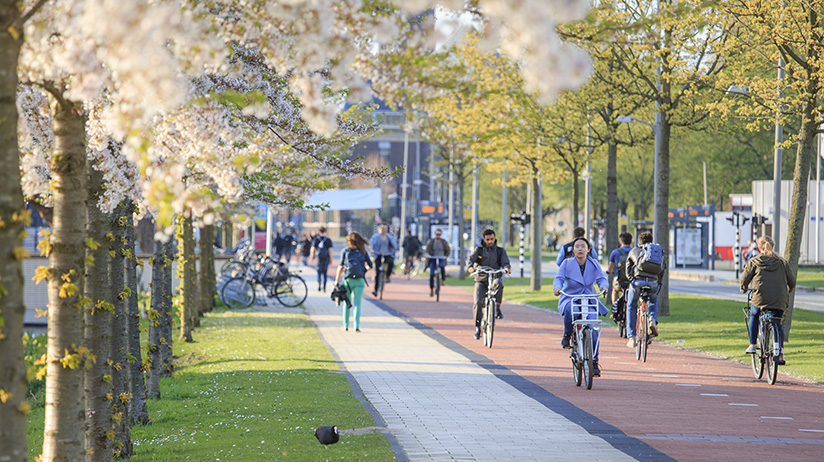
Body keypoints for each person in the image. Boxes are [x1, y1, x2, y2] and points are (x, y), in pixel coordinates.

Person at [553, 236, 608, 377]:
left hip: (588, 299)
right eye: (577, 246)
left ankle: (594, 363)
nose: (580, 249)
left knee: (593, 329)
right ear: (573, 249)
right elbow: (559, 278)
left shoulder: (594, 263)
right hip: (571, 297)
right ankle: (567, 334)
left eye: (583, 246)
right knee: (570, 310)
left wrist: (603, 286)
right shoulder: (567, 263)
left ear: (588, 249)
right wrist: (557, 288)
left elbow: (601, 278)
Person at [739, 236, 795, 364]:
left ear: (759, 247)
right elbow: (792, 281)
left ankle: (753, 344)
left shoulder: (754, 261)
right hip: (780, 298)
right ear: (772, 246)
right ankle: (780, 351)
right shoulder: (782, 262)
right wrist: (787, 292)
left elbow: (744, 280)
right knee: (777, 322)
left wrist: (743, 289)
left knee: (754, 314)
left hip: (760, 298)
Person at [467, 229, 511, 339]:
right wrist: (470, 268)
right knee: (477, 302)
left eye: (492, 239)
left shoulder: (500, 251)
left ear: (495, 238)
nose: (490, 241)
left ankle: (497, 308)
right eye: (488, 239)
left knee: (499, 284)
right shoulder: (479, 250)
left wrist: (506, 268)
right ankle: (478, 327)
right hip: (481, 279)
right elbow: (471, 260)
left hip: (494, 276)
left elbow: (506, 262)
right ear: (484, 239)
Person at [624, 232, 666, 347]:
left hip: (638, 281)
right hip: (653, 282)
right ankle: (652, 319)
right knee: (653, 300)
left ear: (639, 242)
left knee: (631, 305)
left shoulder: (634, 250)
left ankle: (631, 336)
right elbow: (663, 268)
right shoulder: (657, 252)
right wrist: (658, 283)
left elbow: (628, 266)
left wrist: (631, 279)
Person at [334, 232, 373, 332]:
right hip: (359, 281)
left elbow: (340, 267)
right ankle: (356, 326)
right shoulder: (362, 251)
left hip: (348, 280)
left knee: (347, 303)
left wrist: (336, 280)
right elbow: (370, 265)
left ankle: (345, 325)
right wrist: (363, 270)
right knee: (357, 304)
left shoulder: (345, 251)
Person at [369, 225, 398, 295]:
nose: (383, 230)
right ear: (379, 230)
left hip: (387, 254)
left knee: (390, 262)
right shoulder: (375, 237)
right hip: (378, 254)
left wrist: (394, 250)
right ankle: (376, 290)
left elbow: (394, 245)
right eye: (382, 229)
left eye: (385, 229)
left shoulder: (389, 237)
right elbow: (370, 244)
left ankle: (387, 275)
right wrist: (371, 250)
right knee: (378, 272)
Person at [606, 232, 633, 305]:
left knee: (615, 291)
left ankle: (615, 308)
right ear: (631, 242)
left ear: (621, 242)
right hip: (631, 279)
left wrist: (609, 272)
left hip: (619, 279)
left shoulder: (615, 252)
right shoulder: (634, 251)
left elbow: (610, 269)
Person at [424, 229, 451, 297]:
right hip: (433, 258)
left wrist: (446, 256)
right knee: (432, 274)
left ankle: (443, 280)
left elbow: (448, 250)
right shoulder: (431, 242)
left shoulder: (444, 242)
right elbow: (427, 250)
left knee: (442, 266)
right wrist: (427, 255)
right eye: (437, 234)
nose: (438, 236)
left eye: (439, 234)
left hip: (441, 258)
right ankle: (431, 289)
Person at [310, 226, 333, 292]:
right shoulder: (328, 239)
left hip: (318, 257)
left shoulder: (316, 239)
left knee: (319, 272)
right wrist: (331, 259)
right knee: (325, 273)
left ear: (319, 231)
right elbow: (330, 250)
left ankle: (319, 282)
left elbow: (313, 248)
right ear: (325, 231)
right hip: (326, 257)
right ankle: (324, 287)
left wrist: (312, 256)